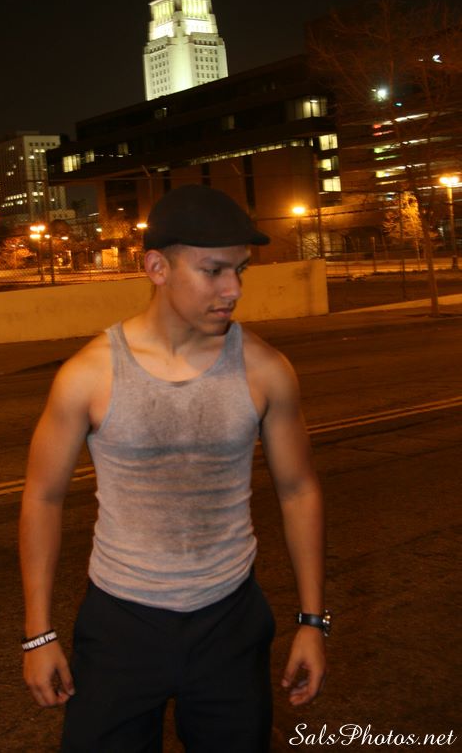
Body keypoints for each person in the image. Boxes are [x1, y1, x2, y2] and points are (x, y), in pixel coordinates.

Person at [19, 184, 328, 753]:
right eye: (214, 271)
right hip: (120, 625)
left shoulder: (266, 369)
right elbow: (42, 497)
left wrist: (313, 622)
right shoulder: (89, 374)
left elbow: (298, 489)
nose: (233, 289)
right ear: (156, 268)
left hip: (230, 623)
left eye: (239, 270)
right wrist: (38, 634)